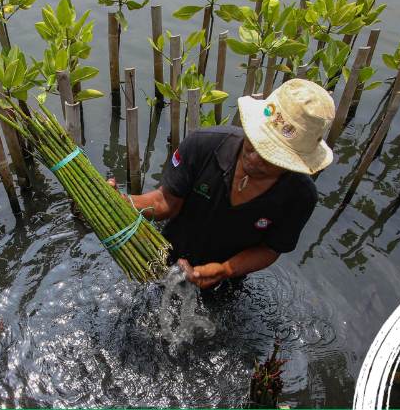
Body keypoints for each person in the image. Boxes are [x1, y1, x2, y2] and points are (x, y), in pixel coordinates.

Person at [109, 79, 336, 289]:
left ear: (294, 163)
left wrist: (225, 270)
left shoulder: (300, 196)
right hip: (164, 258)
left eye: (271, 157)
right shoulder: (203, 145)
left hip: (228, 280)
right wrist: (121, 202)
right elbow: (167, 200)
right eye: (255, 143)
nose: (254, 159)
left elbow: (270, 248)